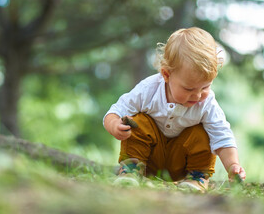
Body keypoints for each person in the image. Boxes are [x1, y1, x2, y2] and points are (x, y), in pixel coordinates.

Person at [103, 27, 246, 192]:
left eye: (205, 87)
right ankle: (131, 171)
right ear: (166, 74)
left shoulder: (207, 104)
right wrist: (114, 125)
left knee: (204, 132)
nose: (198, 95)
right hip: (148, 160)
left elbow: (222, 136)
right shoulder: (148, 90)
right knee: (139, 121)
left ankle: (196, 178)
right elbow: (116, 110)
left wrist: (233, 165)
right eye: (189, 89)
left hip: (182, 164)